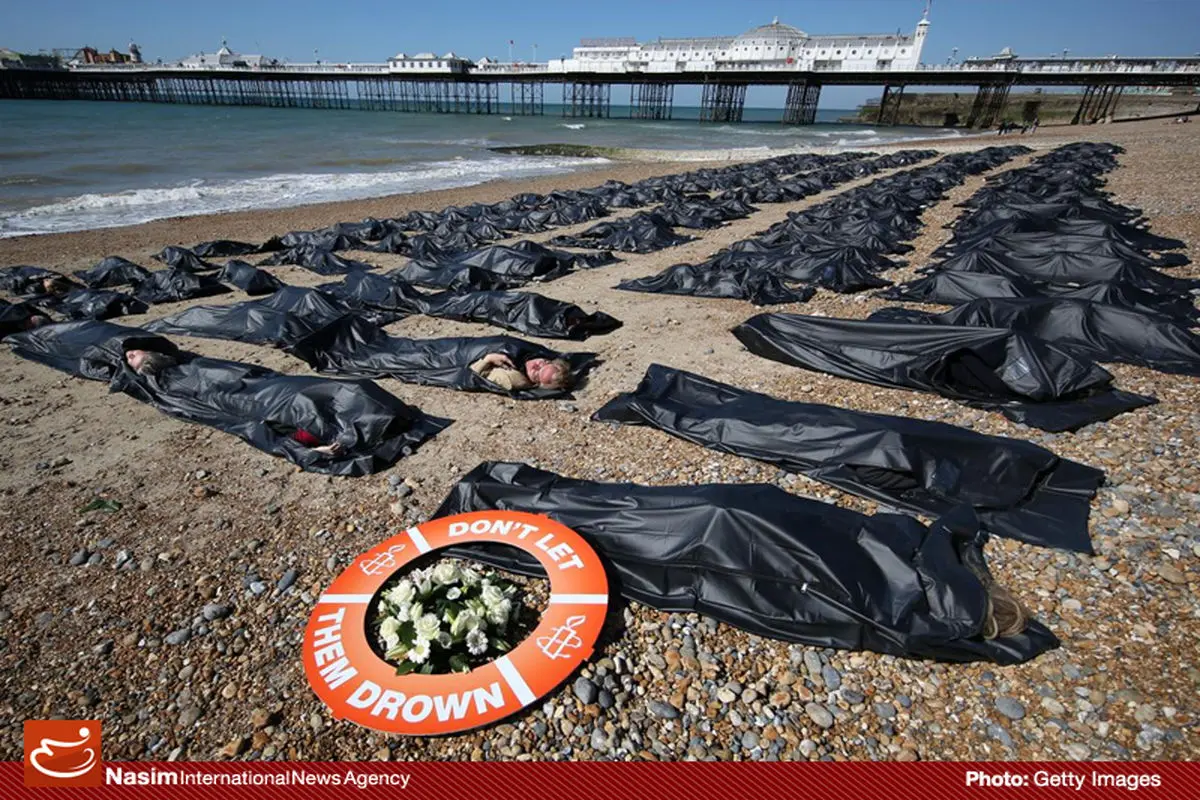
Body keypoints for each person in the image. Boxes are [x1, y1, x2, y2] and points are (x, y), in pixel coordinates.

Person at [469, 352, 572, 391]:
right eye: (544, 363)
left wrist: (488, 358)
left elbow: (471, 377)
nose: (536, 366)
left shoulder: (511, 378)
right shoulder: (533, 353)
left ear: (536, 383)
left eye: (537, 374)